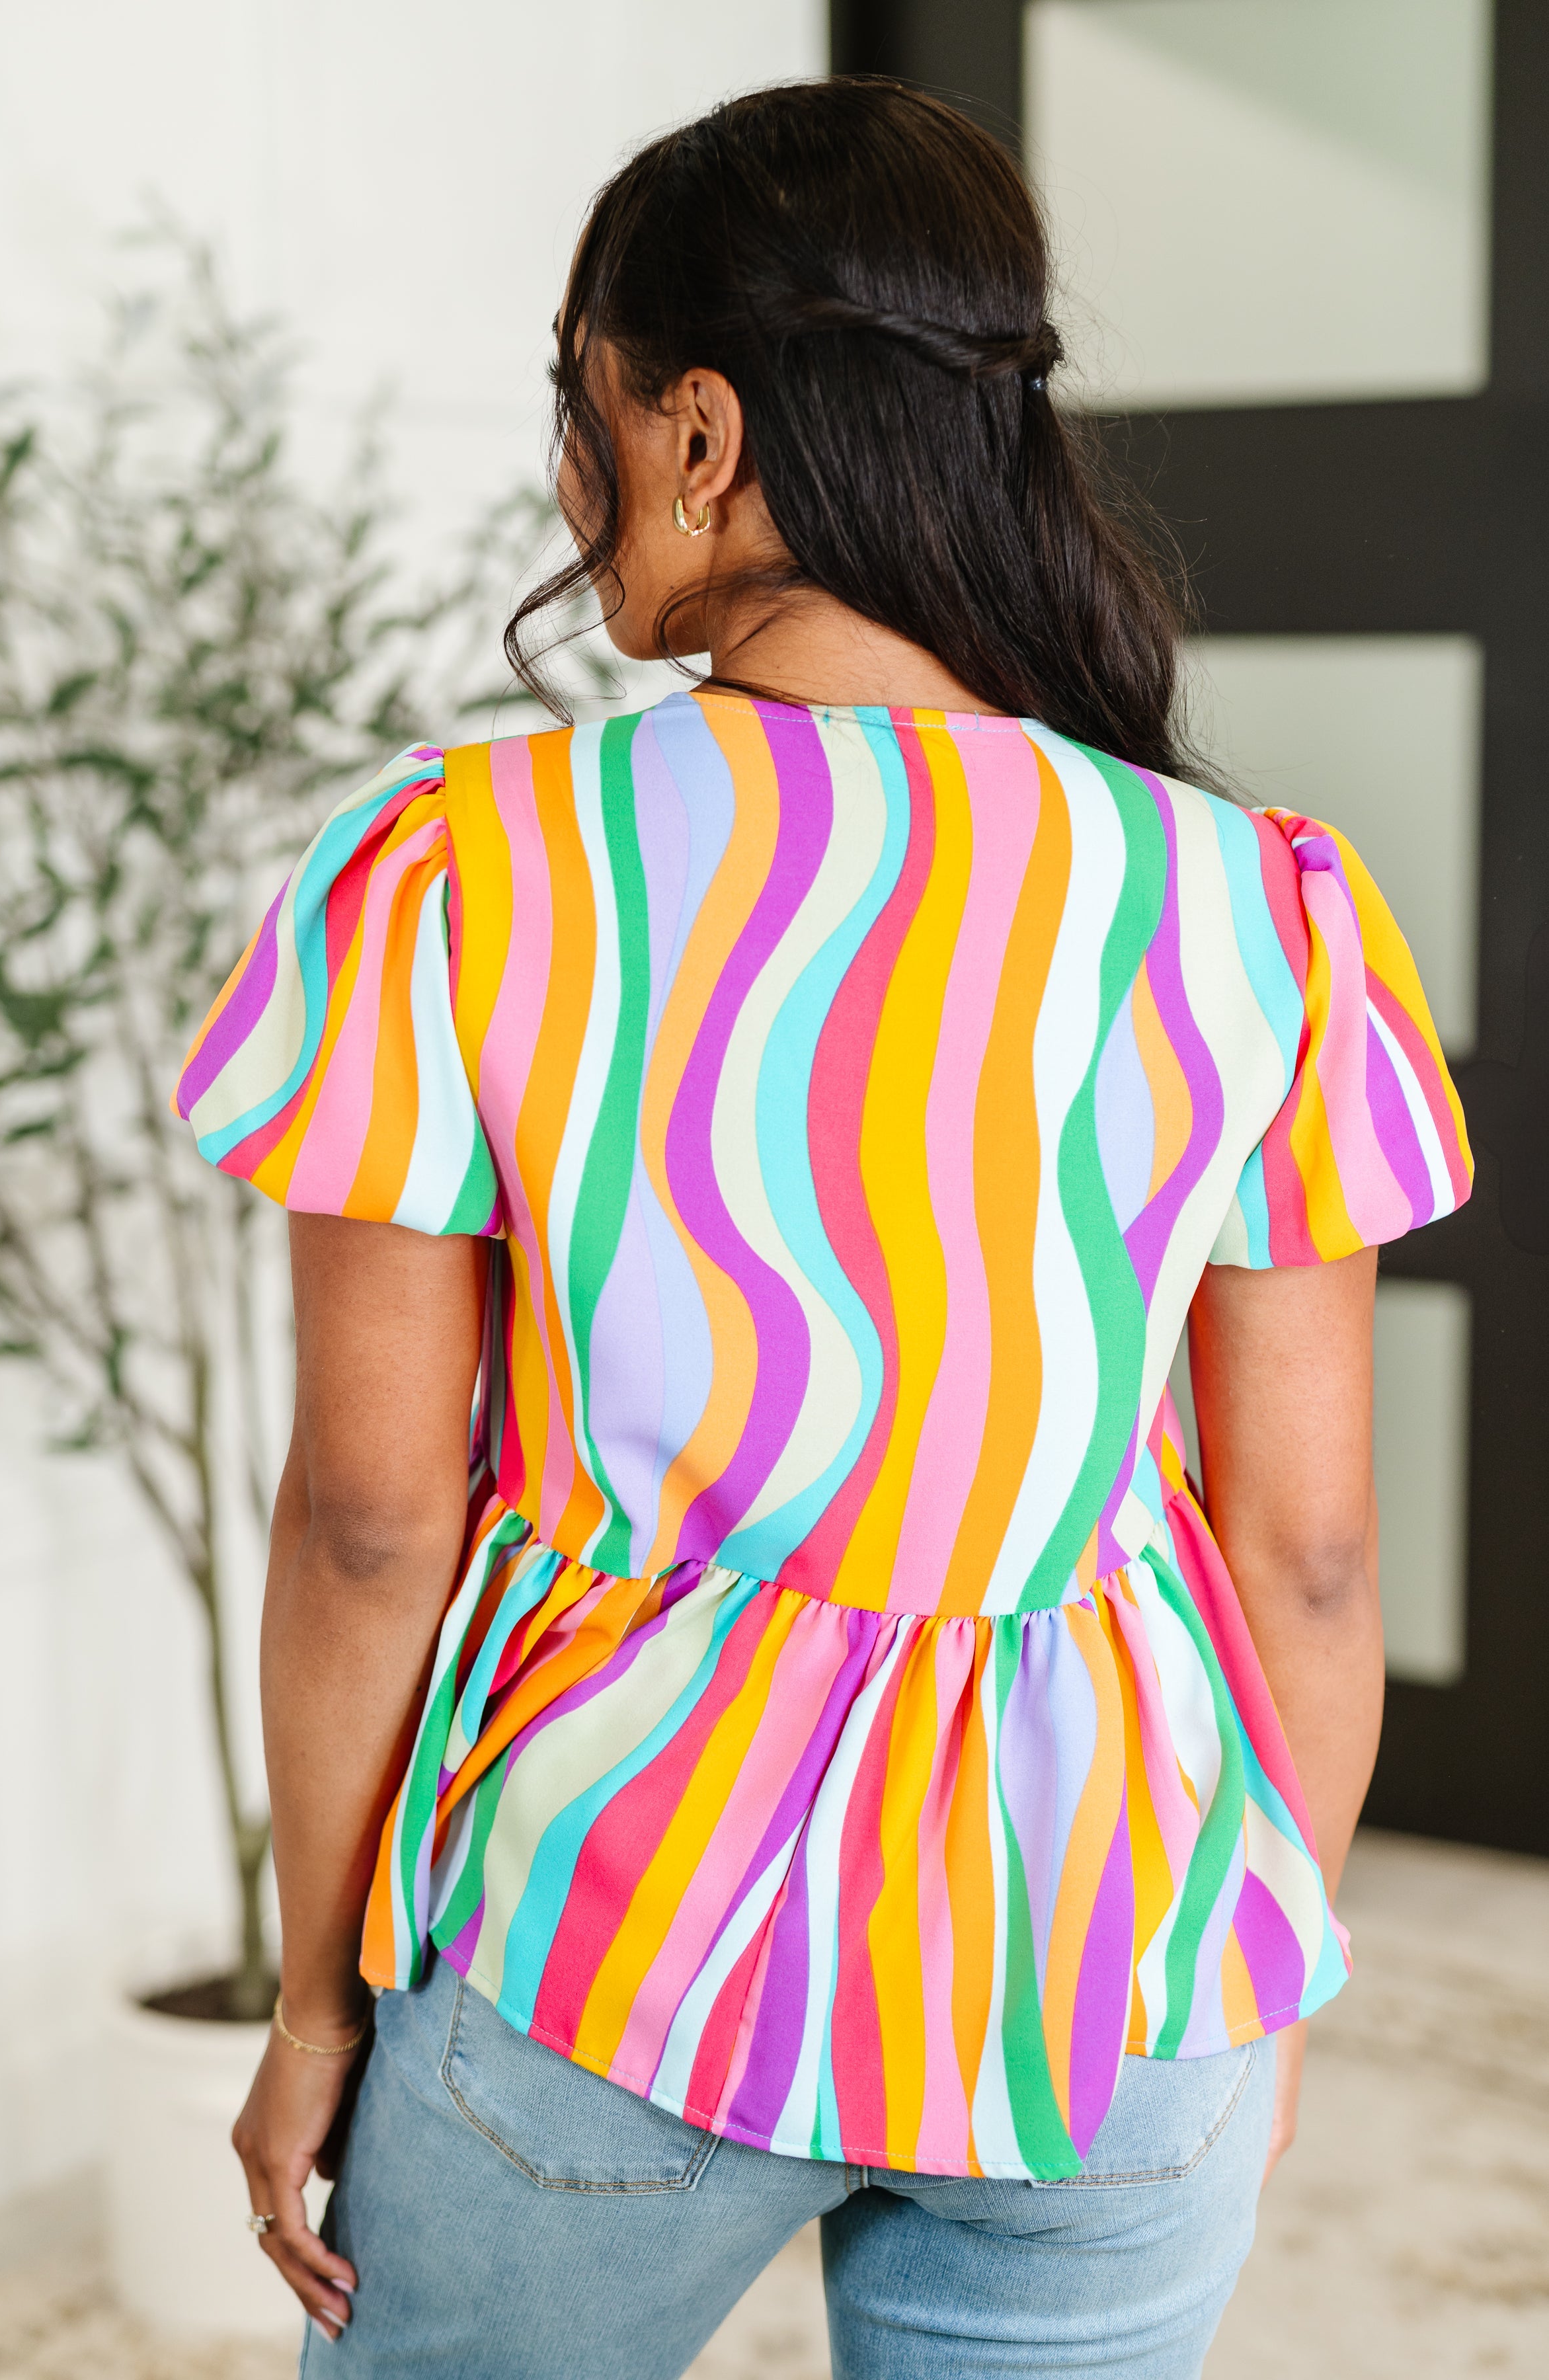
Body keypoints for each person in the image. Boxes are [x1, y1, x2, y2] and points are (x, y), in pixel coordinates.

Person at [177, 78, 1471, 2380]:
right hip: (1117, 1947)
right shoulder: (1254, 907)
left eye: (576, 410)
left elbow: (374, 1517)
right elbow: (1308, 1562)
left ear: (691, 426)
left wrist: (311, 2000)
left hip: (619, 1920)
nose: (569, 485)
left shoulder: (468, 873)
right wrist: (1257, 1989)